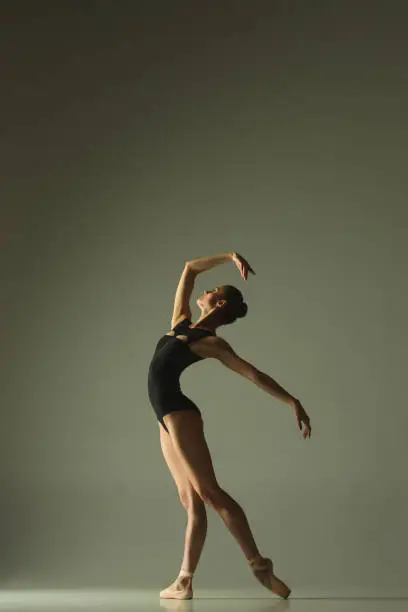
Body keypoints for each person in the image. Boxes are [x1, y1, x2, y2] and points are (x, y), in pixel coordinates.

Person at [147, 252, 312, 600]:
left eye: (210, 291)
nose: (201, 292)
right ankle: (184, 581)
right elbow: (189, 269)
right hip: (163, 418)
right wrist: (229, 257)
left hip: (179, 413)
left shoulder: (212, 343)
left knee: (209, 494)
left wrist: (291, 400)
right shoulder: (180, 323)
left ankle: (259, 565)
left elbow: (253, 374)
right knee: (190, 501)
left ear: (218, 302)